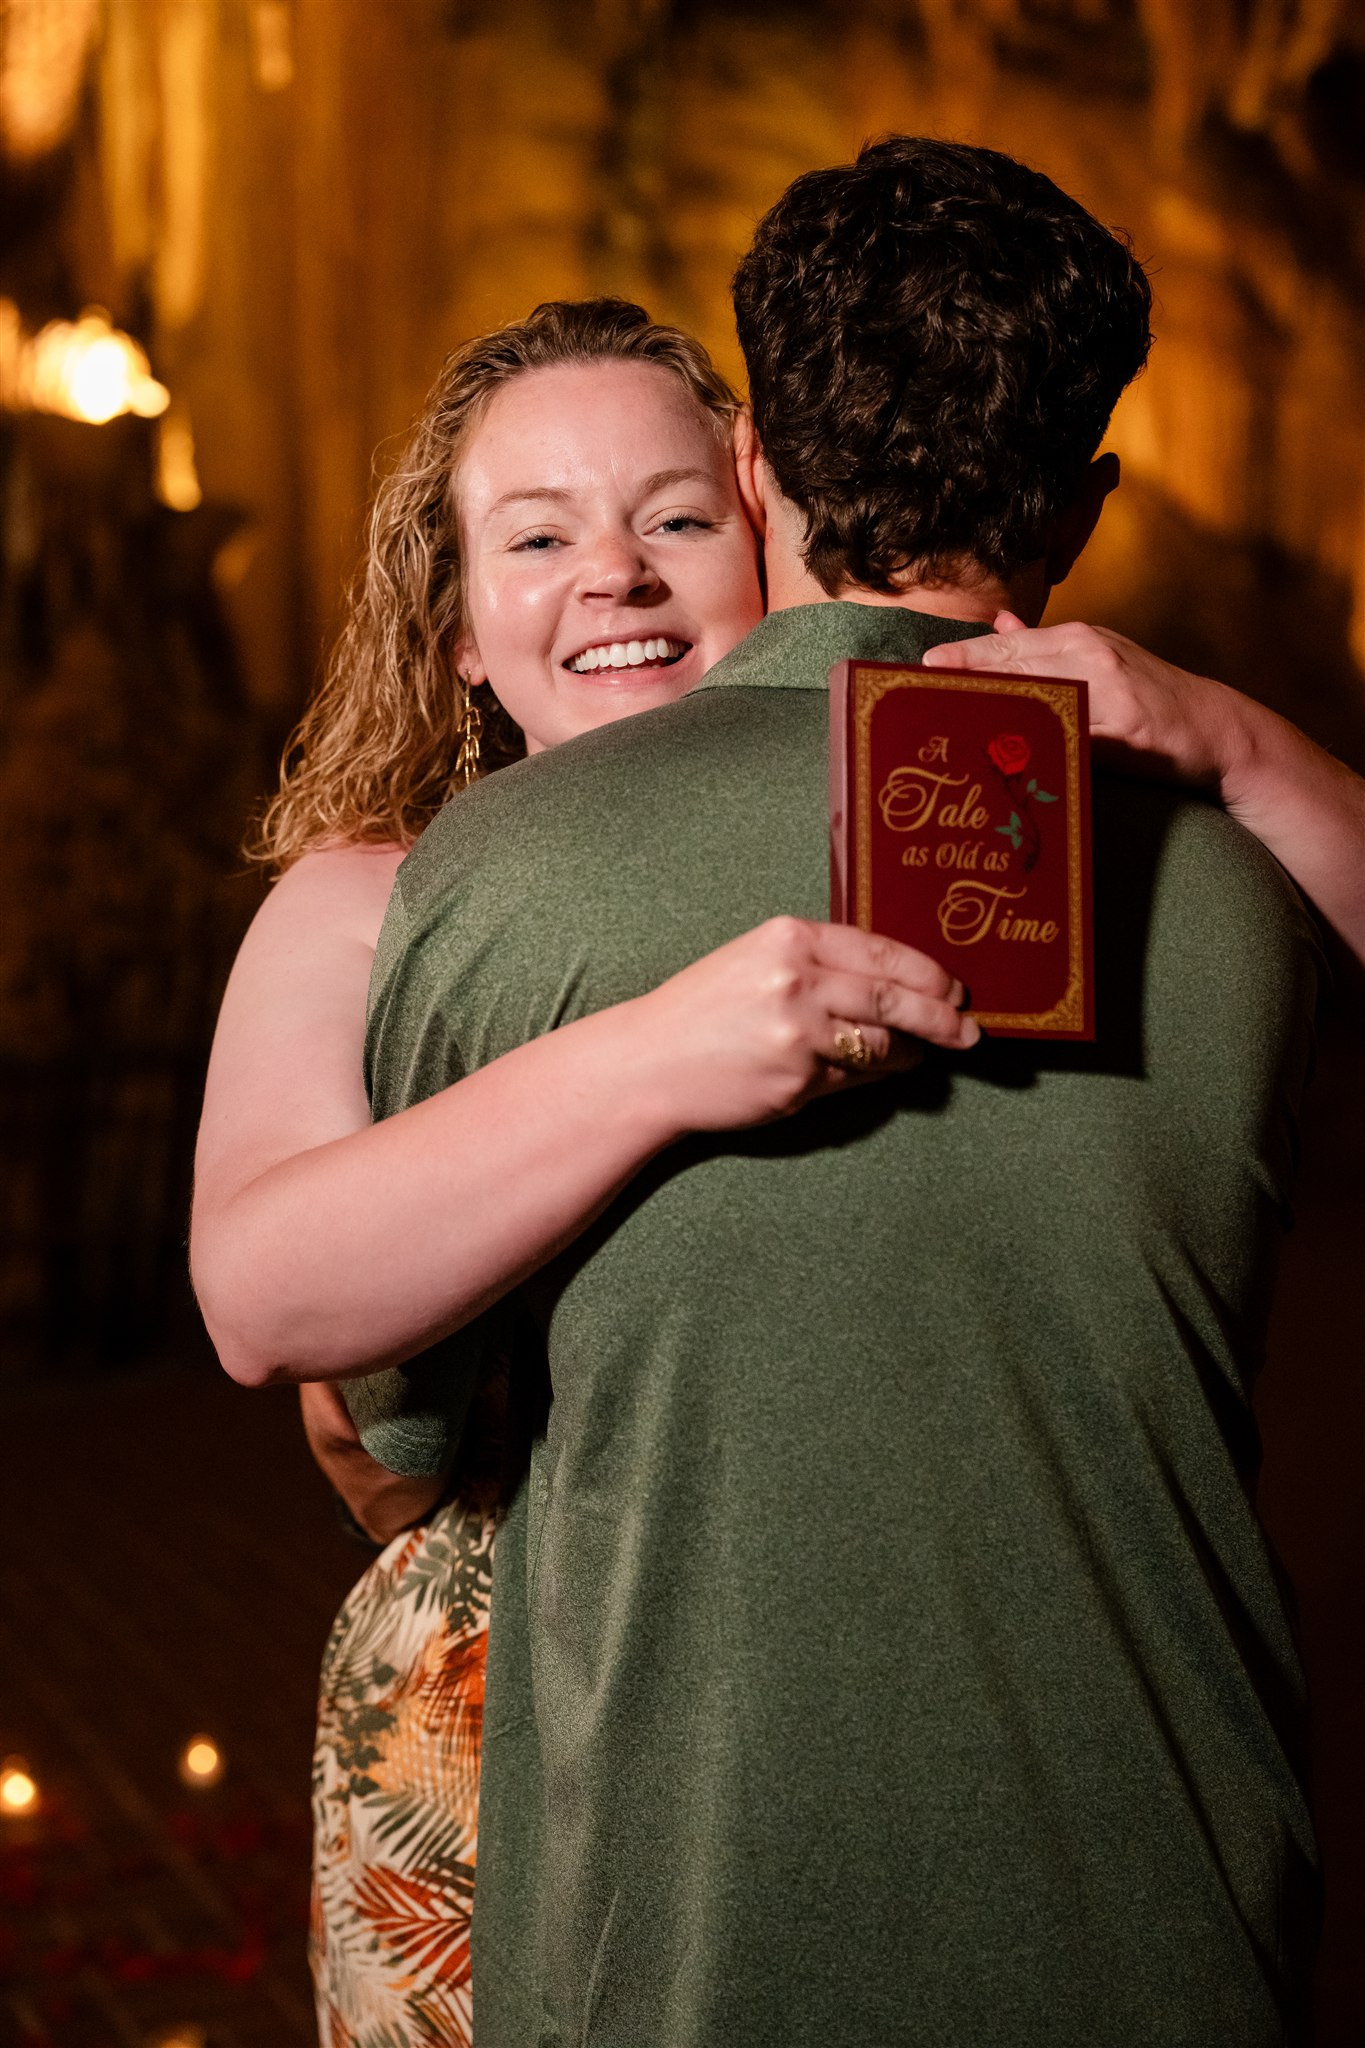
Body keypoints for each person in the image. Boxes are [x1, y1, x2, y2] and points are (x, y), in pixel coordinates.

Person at [337, 139, 1364, 2046]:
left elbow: (391, 1425)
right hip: (1180, 1922)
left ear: (753, 469)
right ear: (1087, 501)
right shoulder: (1252, 896)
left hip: (687, 1952)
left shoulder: (506, 871)